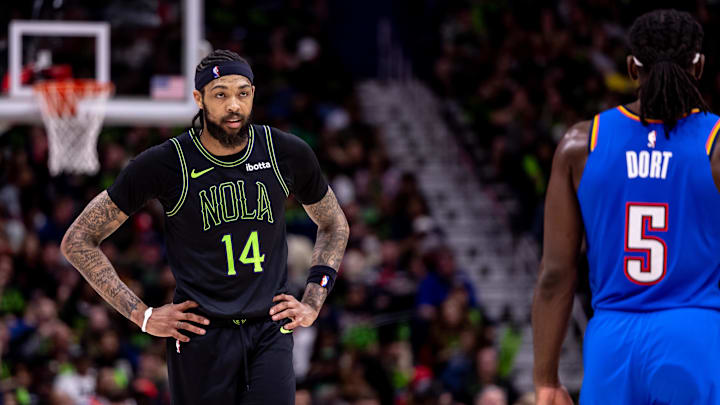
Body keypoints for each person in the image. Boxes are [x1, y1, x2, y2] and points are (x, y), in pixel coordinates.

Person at [60, 49, 349, 404]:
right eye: (221, 93)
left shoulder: (284, 152)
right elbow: (78, 240)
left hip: (268, 332)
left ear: (253, 95)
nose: (233, 105)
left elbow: (334, 224)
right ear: (199, 99)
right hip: (201, 338)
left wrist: (314, 298)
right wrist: (143, 315)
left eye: (242, 93)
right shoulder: (167, 163)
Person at [532, 9, 720, 405]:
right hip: (696, 337)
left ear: (632, 68)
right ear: (699, 66)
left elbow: (555, 274)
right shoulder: (715, 145)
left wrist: (546, 379)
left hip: (611, 346)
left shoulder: (581, 144)